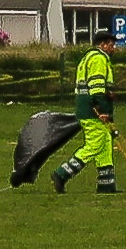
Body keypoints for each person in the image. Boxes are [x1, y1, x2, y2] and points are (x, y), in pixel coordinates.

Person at [51, 37, 121, 196]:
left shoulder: (86, 58)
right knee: (94, 145)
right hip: (93, 111)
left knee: (105, 145)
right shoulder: (98, 59)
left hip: (86, 108)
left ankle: (106, 185)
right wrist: (104, 110)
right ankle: (62, 173)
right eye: (111, 45)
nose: (113, 49)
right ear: (102, 45)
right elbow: (97, 86)